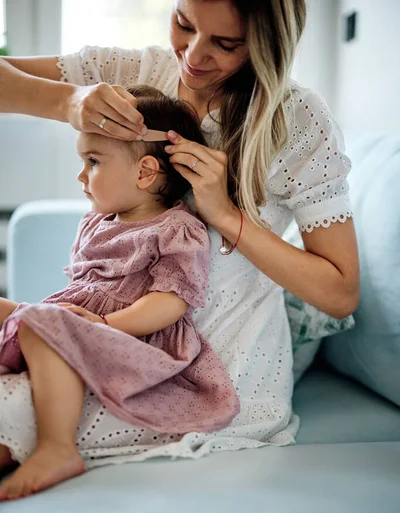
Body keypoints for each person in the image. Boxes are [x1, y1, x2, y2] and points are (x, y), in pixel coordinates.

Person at [0, 1, 360, 474]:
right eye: (184, 24)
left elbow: (340, 293)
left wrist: (226, 215)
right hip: (109, 332)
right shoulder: (139, 72)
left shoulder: (295, 119)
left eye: (226, 44)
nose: (192, 55)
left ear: (269, 46)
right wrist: (64, 101)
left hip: (206, 364)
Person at [0, 85, 240, 500]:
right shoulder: (96, 222)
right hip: (74, 320)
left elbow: (171, 299)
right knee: (24, 314)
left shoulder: (176, 229)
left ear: (146, 172)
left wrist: (109, 324)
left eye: (92, 162)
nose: (80, 175)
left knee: (43, 324)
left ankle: (57, 447)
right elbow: (79, 289)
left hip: (127, 335)